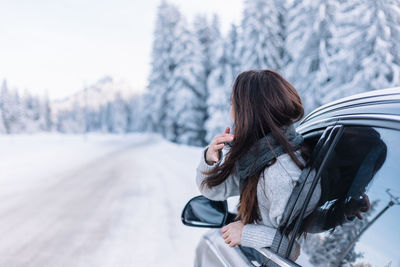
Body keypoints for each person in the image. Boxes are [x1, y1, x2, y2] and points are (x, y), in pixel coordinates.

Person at [195, 69, 313, 260]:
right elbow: (212, 191)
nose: (230, 112)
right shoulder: (257, 158)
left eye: (233, 104)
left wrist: (246, 233)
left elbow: (294, 252)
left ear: (248, 113)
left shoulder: (282, 174)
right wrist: (210, 158)